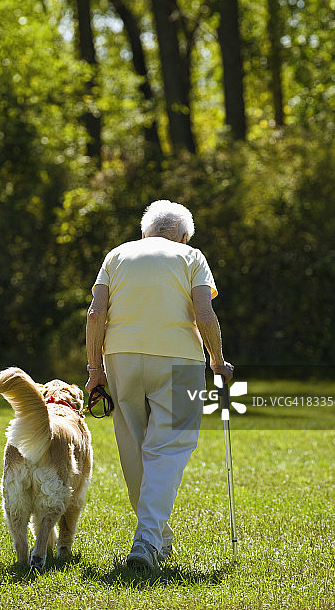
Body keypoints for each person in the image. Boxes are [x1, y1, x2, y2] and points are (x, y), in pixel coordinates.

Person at [85, 199, 234, 569]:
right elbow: (203, 313)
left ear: (144, 233)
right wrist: (216, 360)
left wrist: (93, 371)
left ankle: (157, 539)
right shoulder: (192, 257)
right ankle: (148, 541)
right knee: (168, 448)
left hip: (120, 357)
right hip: (179, 359)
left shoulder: (117, 255)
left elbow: (95, 313)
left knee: (133, 447)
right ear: (184, 236)